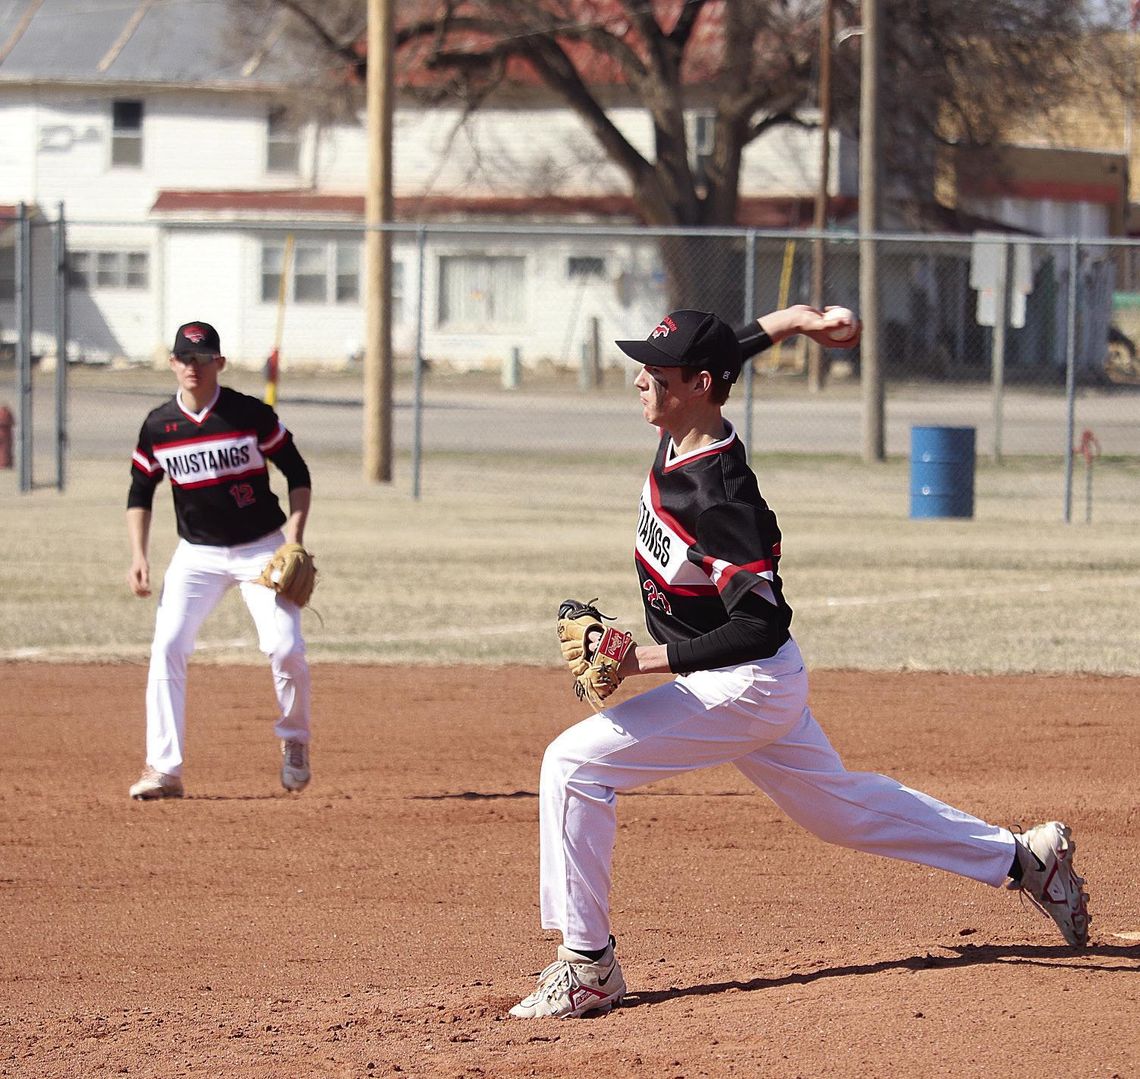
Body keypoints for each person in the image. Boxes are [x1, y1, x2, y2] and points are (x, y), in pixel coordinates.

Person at [509, 305, 1090, 1020]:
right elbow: (732, 350)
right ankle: (1025, 858)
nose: (639, 381)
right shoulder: (687, 422)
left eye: (655, 374)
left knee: (573, 764)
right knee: (840, 813)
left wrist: (642, 660)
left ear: (695, 385)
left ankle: (589, 965)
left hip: (745, 682)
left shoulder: (719, 497)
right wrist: (792, 321)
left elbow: (761, 623)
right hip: (747, 683)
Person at [125, 321, 314, 800]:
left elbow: (297, 472)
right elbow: (139, 492)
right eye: (184, 359)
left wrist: (293, 536)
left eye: (202, 358)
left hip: (259, 548)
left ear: (219, 363)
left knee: (285, 646)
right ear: (172, 363)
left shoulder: (249, 415)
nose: (193, 367)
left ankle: (294, 742)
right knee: (168, 645)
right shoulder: (158, 426)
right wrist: (139, 555)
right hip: (198, 554)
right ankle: (163, 770)